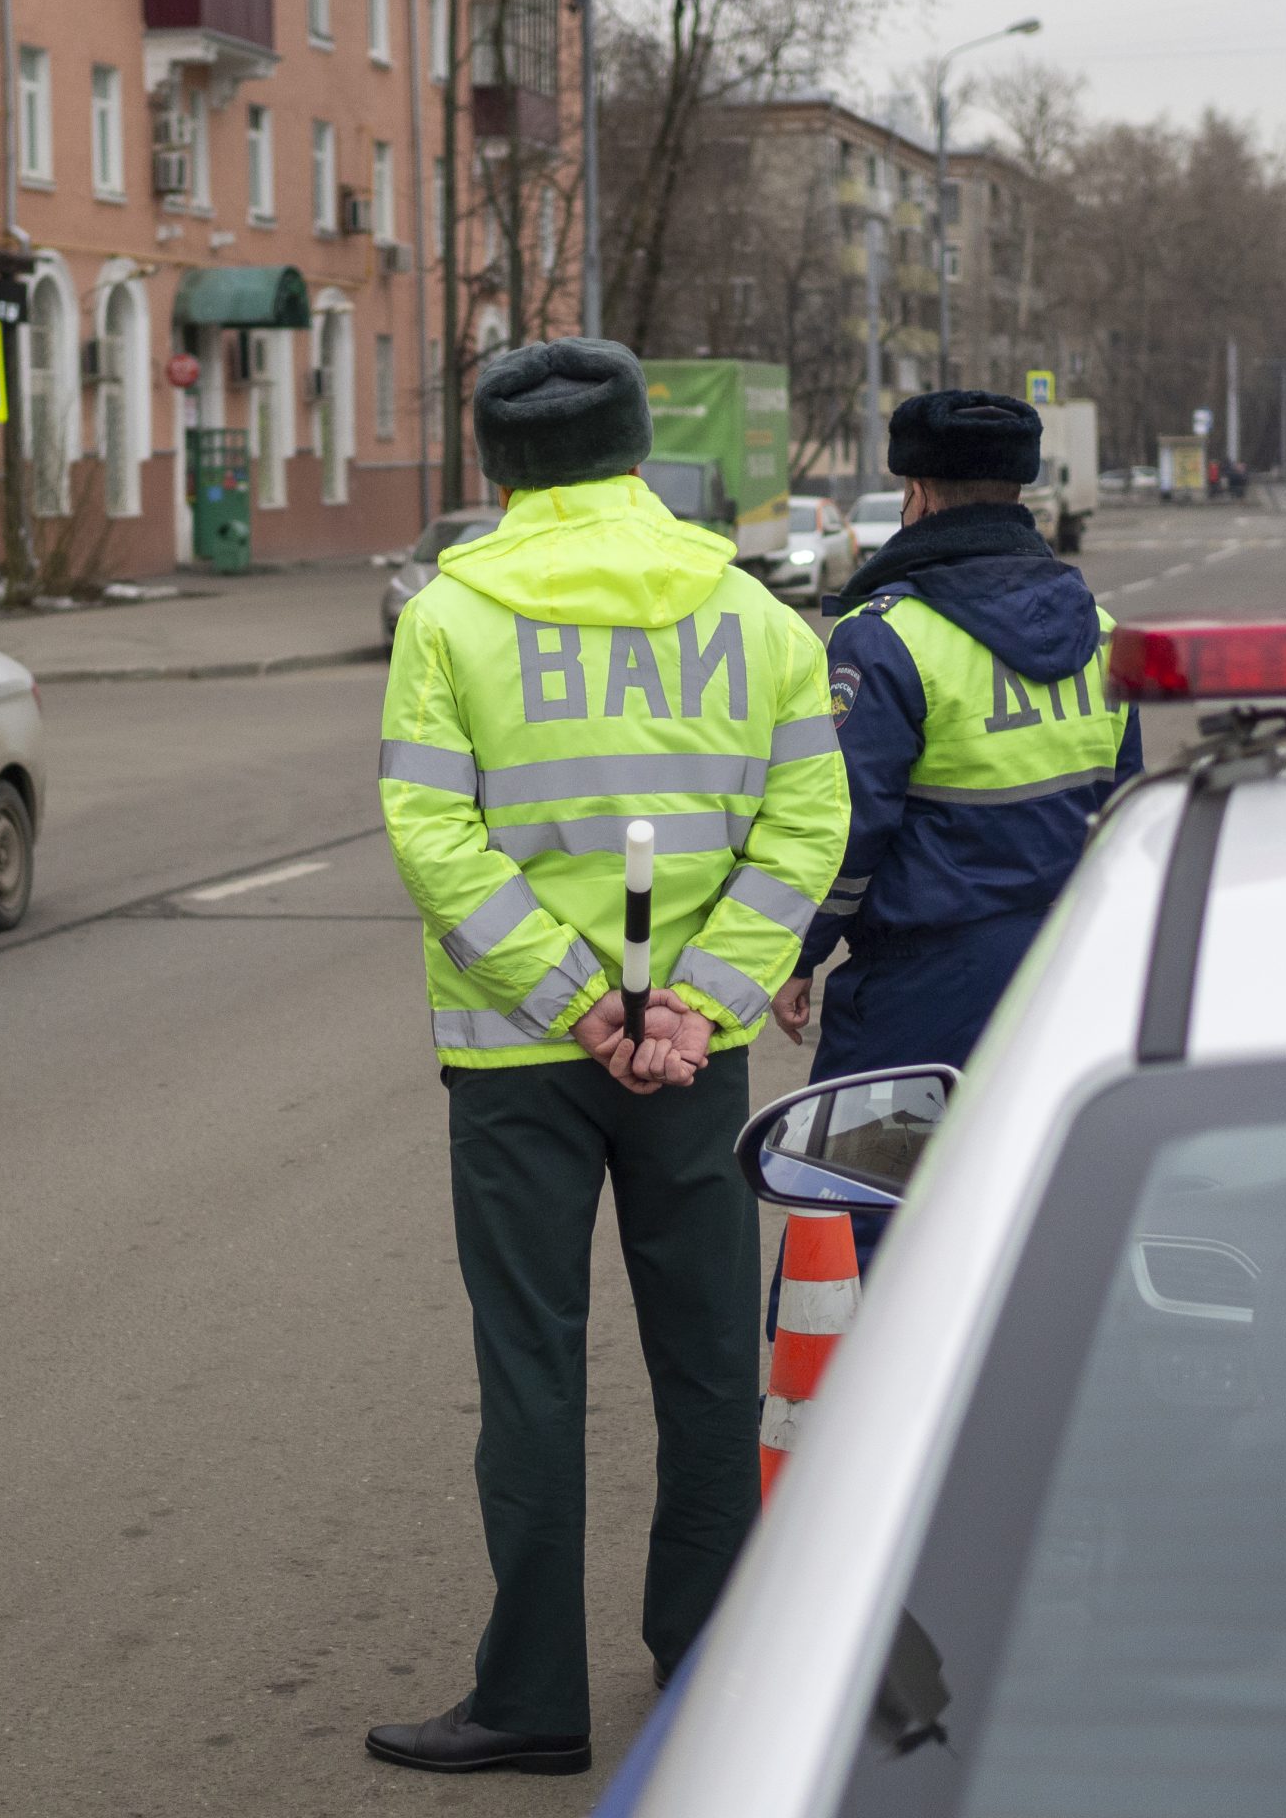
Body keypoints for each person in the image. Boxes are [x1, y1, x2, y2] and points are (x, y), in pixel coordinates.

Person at [367, 338, 850, 1776]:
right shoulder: (755, 615)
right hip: (689, 1060)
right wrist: (697, 1002)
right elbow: (806, 825)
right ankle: (707, 1664)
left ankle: (530, 1700)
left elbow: (431, 834)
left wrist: (573, 999)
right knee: (706, 1363)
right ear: (641, 450)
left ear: (494, 467)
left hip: (517, 1053)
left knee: (532, 1370)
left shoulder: (449, 618)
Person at [773, 390, 1142, 1194]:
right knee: (1033, 1211)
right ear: (1018, 492)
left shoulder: (885, 636)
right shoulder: (1106, 635)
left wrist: (796, 956)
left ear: (920, 494)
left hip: (919, 998)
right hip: (1064, 976)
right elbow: (1132, 821)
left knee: (861, 1224)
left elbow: (850, 831)